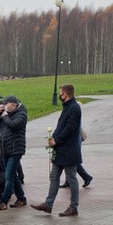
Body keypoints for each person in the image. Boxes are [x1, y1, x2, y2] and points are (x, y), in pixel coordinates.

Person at [31, 85, 79, 216]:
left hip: (69, 150)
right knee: (54, 176)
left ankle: (73, 207)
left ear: (65, 94)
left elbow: (70, 129)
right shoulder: (67, 107)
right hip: (61, 149)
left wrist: (56, 140)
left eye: (60, 93)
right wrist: (53, 139)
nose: (59, 95)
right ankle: (48, 204)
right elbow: (62, 127)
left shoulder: (74, 108)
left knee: (71, 178)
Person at [0, 95, 28, 211]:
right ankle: (21, 198)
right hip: (5, 149)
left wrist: (5, 116)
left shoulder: (21, 114)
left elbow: (14, 126)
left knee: (8, 176)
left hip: (15, 150)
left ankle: (3, 201)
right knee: (12, 175)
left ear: (13, 104)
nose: (5, 106)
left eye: (6, 104)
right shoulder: (5, 115)